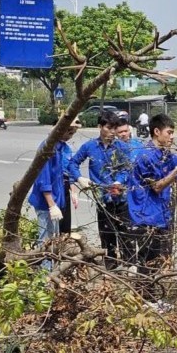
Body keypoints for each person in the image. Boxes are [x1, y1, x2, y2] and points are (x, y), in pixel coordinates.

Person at [126, 114, 177, 300]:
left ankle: (149, 298)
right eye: (169, 132)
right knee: (146, 261)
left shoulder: (167, 156)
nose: (172, 137)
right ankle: (144, 299)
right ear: (157, 132)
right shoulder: (144, 156)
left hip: (161, 215)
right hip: (145, 216)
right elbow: (157, 187)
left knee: (157, 260)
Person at [70, 111, 130, 269]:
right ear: (100, 127)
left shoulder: (121, 147)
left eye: (114, 128)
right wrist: (79, 178)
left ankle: (128, 268)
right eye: (109, 128)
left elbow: (127, 169)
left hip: (121, 198)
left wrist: (119, 182)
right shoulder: (90, 146)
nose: (112, 132)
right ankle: (111, 268)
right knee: (107, 236)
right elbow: (73, 164)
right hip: (102, 199)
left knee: (125, 235)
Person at [28, 118, 82, 270]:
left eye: (73, 132)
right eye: (68, 131)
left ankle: (53, 269)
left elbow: (67, 171)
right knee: (45, 238)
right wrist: (51, 205)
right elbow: (43, 179)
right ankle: (44, 274)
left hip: (58, 199)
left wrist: (74, 190)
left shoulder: (64, 148)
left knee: (55, 238)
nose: (70, 135)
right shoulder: (47, 147)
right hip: (45, 202)